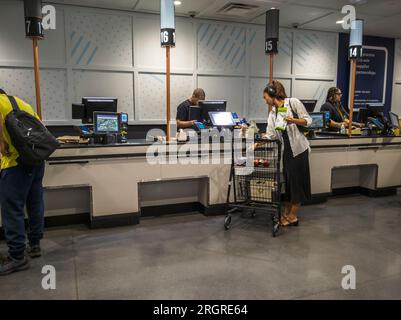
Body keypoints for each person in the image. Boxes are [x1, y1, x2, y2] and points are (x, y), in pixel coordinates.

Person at [0, 89, 45, 276]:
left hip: (14, 163)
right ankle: (34, 245)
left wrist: (2, 144)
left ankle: (17, 257)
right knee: (34, 202)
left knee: (12, 208)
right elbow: (41, 127)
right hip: (35, 159)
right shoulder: (20, 102)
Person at [263, 80, 312, 227]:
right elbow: (271, 134)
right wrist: (259, 140)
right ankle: (288, 212)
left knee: (297, 183)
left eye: (266, 97)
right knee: (289, 184)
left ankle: (293, 216)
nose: (265, 101)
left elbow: (308, 121)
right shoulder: (273, 113)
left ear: (273, 95)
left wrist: (294, 121)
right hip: (286, 152)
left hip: (298, 150)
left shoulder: (292, 103)